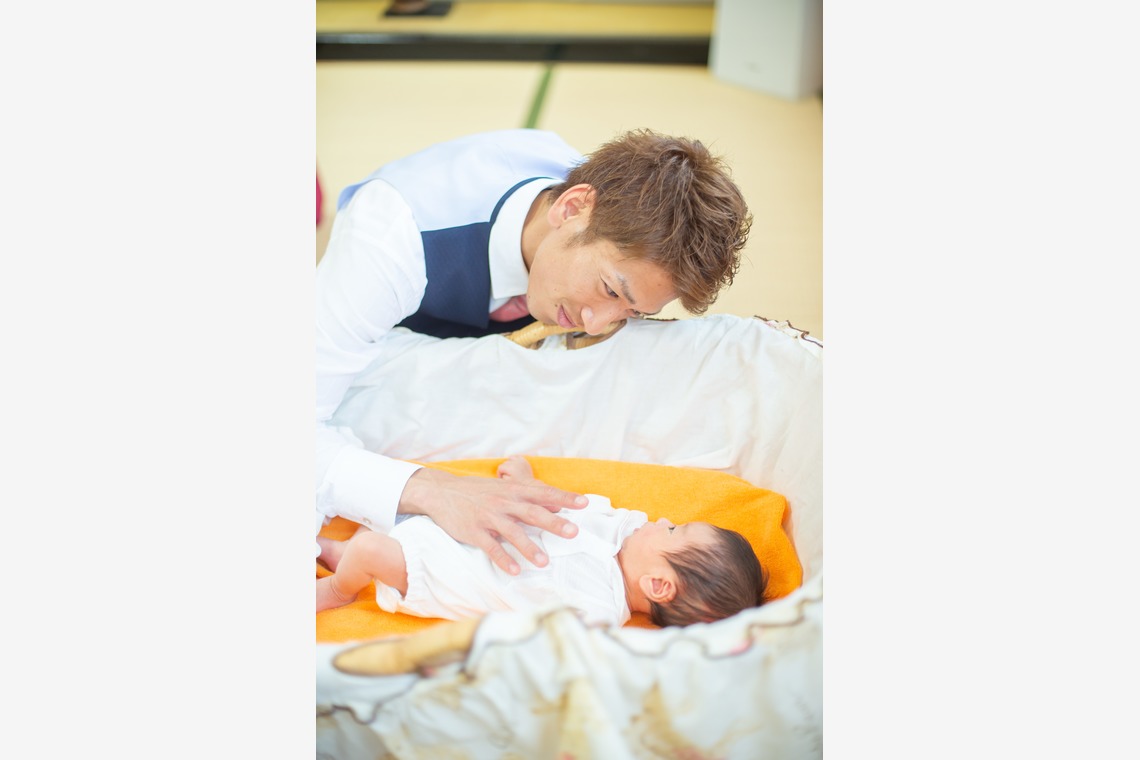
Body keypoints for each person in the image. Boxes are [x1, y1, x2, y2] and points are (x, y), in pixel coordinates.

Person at [316, 127, 752, 577]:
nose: (596, 324)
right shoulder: (388, 239)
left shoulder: (608, 214)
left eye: (632, 310)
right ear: (571, 208)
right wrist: (432, 490)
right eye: (609, 289)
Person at [316, 457, 767, 628]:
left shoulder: (598, 611)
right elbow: (566, 508)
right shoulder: (621, 532)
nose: (664, 520)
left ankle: (340, 587)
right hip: (467, 528)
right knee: (396, 494)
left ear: (658, 586)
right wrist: (528, 486)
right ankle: (336, 551)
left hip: (443, 570)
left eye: (672, 532)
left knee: (371, 551)